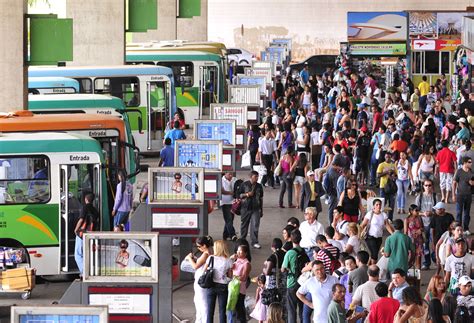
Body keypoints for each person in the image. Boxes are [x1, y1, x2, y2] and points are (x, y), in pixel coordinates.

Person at [281, 230, 310, 323]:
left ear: (291, 239)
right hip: (302, 283)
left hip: (291, 283)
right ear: (300, 239)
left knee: (291, 309)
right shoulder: (303, 251)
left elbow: (283, 268)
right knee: (302, 307)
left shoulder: (289, 253)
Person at [185, 236, 212, 323]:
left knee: (202, 301)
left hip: (201, 280)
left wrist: (189, 258)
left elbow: (195, 266)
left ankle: (203, 320)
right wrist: (196, 259)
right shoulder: (209, 252)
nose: (198, 248)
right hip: (201, 279)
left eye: (199, 246)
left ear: (204, 245)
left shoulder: (205, 254)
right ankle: (200, 320)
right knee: (198, 300)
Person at [205, 240, 232, 323]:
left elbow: (205, 270)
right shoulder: (228, 260)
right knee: (222, 311)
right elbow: (230, 275)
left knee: (210, 311)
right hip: (223, 286)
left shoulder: (211, 258)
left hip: (211, 285)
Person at [360, 199, 394, 264]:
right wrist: (358, 234)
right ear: (374, 206)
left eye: (380, 204)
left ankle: (369, 267)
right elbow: (363, 224)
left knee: (373, 254)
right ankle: (373, 268)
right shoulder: (369, 214)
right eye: (377, 204)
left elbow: (387, 225)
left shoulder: (383, 215)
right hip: (370, 237)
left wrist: (392, 234)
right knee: (375, 254)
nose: (379, 206)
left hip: (379, 237)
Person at [74, 193, 98, 275]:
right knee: (86, 254)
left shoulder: (84, 208)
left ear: (85, 199)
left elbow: (81, 220)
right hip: (90, 235)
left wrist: (76, 229)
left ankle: (84, 272)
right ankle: (88, 270)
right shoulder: (95, 210)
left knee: (78, 255)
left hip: (82, 234)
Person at [238, 171, 264, 249]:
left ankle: (254, 241)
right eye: (255, 176)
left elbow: (261, 198)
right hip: (245, 208)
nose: (257, 178)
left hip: (256, 208)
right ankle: (242, 241)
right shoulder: (244, 184)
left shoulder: (259, 186)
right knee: (244, 224)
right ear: (251, 177)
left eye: (257, 176)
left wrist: (261, 210)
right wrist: (247, 194)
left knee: (255, 225)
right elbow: (238, 195)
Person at [415, 178, 437, 270]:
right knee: (425, 244)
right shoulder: (419, 197)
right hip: (423, 224)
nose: (428, 187)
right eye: (426, 185)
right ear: (423, 186)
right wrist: (423, 214)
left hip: (433, 224)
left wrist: (431, 213)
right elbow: (414, 212)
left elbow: (438, 211)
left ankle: (435, 259)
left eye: (429, 185)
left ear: (432, 186)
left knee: (434, 243)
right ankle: (426, 263)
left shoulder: (435, 197)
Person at [228, 244, 251, 322]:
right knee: (233, 308)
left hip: (240, 289)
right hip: (233, 287)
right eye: (237, 251)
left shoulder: (246, 263)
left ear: (245, 253)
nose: (238, 252)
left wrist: (235, 277)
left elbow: (244, 277)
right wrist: (230, 260)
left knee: (239, 309)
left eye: (240, 251)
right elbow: (229, 271)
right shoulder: (236, 260)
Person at [452, 156, 474, 235]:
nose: (471, 163)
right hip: (460, 195)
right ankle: (458, 229)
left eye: (471, 162)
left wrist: (472, 183)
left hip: (468, 195)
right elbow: (454, 183)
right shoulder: (459, 171)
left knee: (467, 213)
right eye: (469, 162)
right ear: (464, 163)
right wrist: (453, 195)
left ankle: (466, 228)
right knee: (459, 213)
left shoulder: (471, 172)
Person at [404, 205, 424, 270]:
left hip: (419, 240)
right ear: (411, 211)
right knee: (411, 259)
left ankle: (418, 275)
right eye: (416, 210)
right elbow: (405, 232)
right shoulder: (407, 220)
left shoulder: (419, 218)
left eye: (418, 210)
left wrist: (420, 230)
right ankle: (408, 273)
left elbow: (423, 228)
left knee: (419, 257)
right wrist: (406, 243)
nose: (418, 212)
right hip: (411, 241)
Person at [221, 172, 237, 241]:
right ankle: (233, 235)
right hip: (225, 202)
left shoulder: (234, 179)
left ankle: (225, 235)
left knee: (230, 219)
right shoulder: (221, 180)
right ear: (225, 174)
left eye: (232, 174)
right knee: (228, 219)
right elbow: (222, 191)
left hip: (233, 202)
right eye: (229, 174)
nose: (231, 176)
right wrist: (232, 192)